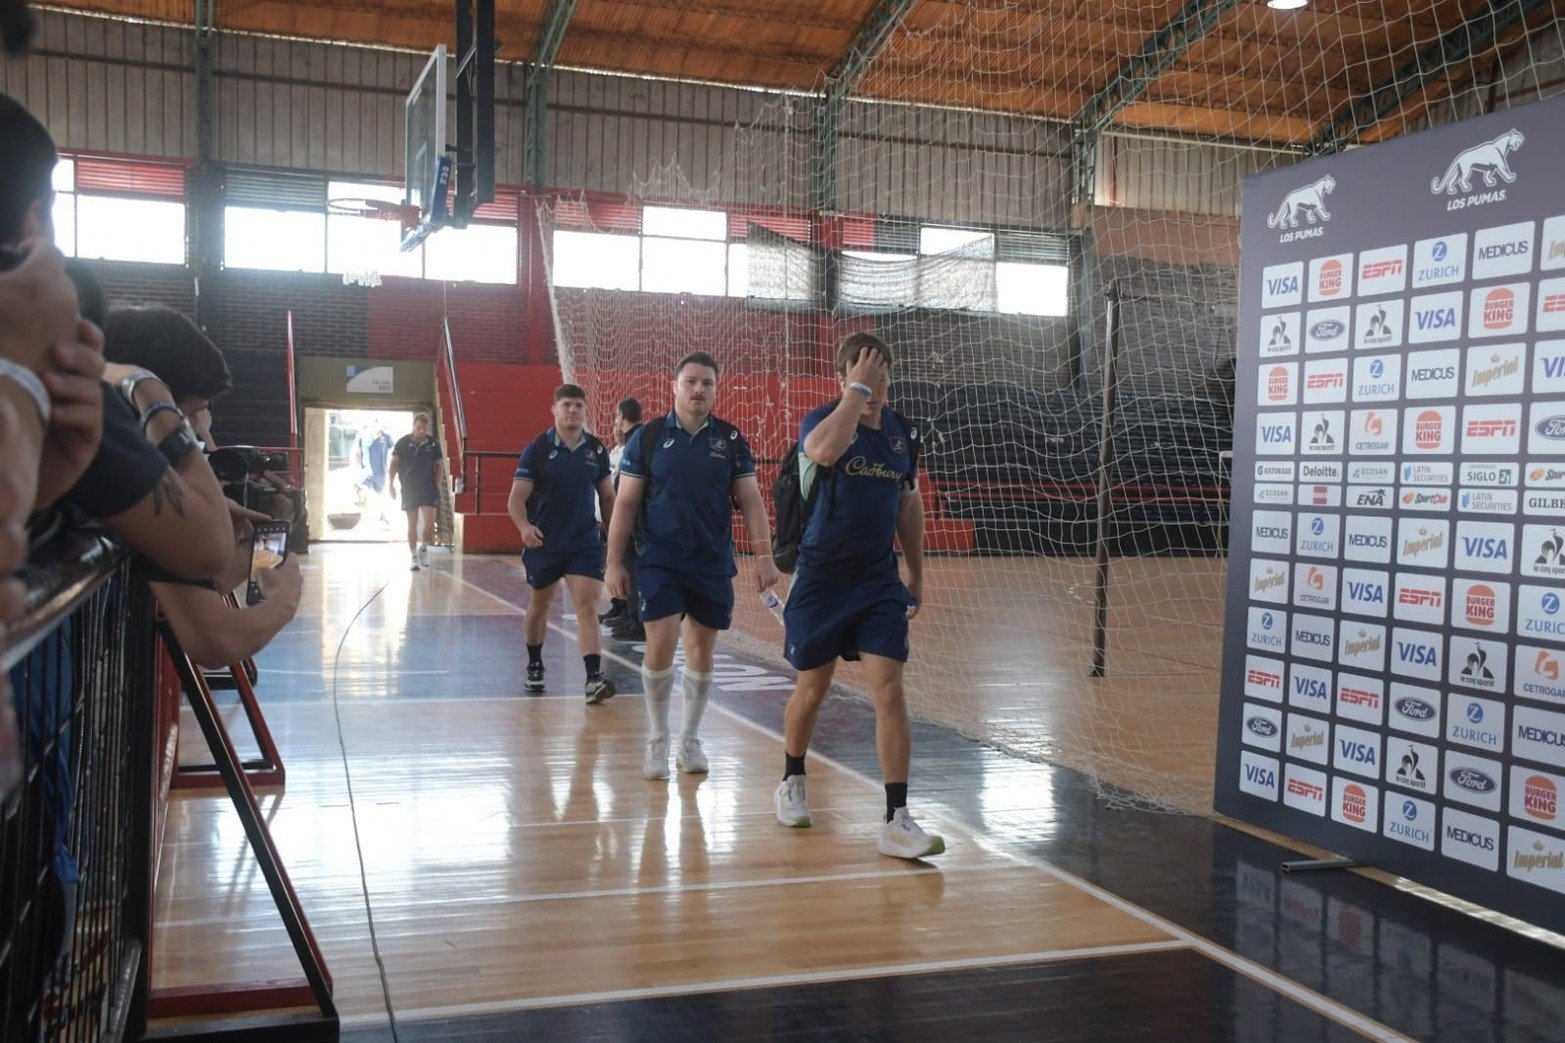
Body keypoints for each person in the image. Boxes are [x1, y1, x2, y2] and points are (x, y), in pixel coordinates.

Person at [772, 332, 943, 860]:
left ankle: (896, 819)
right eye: (867, 374)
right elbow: (823, 451)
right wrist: (856, 394)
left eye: (884, 374)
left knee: (888, 690)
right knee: (812, 691)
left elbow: (908, 508)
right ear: (844, 378)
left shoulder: (903, 435)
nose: (879, 384)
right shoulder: (822, 421)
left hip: (876, 582)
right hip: (820, 579)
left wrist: (915, 572)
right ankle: (792, 777)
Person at [606, 351, 780, 780]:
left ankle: (689, 739)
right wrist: (612, 563)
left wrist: (764, 555)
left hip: (711, 562)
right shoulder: (646, 439)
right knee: (661, 646)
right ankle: (657, 739)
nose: (699, 389)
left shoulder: (731, 440)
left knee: (702, 651)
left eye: (707, 383)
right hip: (659, 560)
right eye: (691, 382)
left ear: (715, 390)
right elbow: (626, 503)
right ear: (675, 386)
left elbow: (752, 500)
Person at [508, 384, 617, 703]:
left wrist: (614, 538)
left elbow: (608, 496)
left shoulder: (596, 450)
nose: (573, 410)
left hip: (584, 542)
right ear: (554, 409)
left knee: (587, 605)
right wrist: (524, 526)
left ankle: (593, 678)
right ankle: (535, 664)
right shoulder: (538, 449)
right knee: (540, 605)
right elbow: (517, 498)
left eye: (579, 406)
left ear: (585, 411)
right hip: (545, 542)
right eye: (567, 405)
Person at [599, 396, 642, 634]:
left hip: (632, 519)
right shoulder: (629, 442)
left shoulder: (636, 441)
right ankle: (625, 611)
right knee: (624, 565)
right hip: (624, 517)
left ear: (622, 417)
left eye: (617, 416)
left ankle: (636, 619)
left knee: (631, 566)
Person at [388, 412, 443, 570]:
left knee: (430, 521)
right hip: (410, 488)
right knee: (412, 522)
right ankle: (413, 556)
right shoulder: (403, 443)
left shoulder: (432, 444)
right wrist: (390, 484)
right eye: (419, 428)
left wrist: (437, 485)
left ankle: (424, 549)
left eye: (425, 428)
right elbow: (394, 464)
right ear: (414, 426)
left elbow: (439, 465)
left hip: (428, 487)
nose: (422, 431)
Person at [354, 417, 392, 527]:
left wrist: (389, 467)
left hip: (381, 473)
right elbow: (356, 452)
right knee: (366, 495)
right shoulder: (362, 435)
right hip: (367, 472)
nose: (374, 426)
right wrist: (356, 470)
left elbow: (393, 450)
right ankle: (367, 520)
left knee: (379, 497)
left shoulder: (386, 436)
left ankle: (381, 516)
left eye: (376, 424)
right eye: (372, 424)